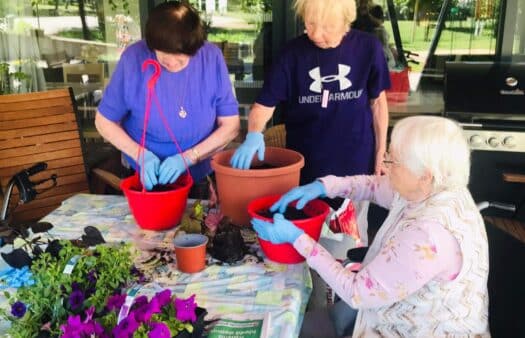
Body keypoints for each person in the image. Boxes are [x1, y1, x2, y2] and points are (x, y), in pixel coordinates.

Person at [252, 116, 490, 337]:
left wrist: (298, 239)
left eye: (393, 161)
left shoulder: (429, 236)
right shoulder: (434, 188)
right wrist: (325, 186)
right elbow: (374, 186)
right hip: (379, 306)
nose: (385, 166)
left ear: (425, 175)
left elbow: (356, 292)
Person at [230, 0, 390, 253]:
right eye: (310, 23)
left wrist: (381, 153)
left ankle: (346, 287)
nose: (316, 34)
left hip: (356, 165)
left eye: (326, 26)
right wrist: (253, 133)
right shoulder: (292, 54)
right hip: (307, 167)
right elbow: (264, 105)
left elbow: (378, 103)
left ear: (346, 20)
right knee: (306, 238)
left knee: (351, 242)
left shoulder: (367, 48)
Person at [95, 1, 239, 192]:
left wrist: (190, 157)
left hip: (200, 173)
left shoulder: (211, 58)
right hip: (143, 174)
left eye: (180, 58)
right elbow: (104, 122)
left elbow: (231, 126)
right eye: (163, 56)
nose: (171, 64)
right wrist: (139, 155)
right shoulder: (133, 58)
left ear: (195, 49)